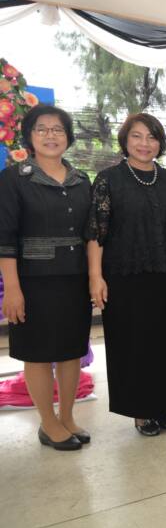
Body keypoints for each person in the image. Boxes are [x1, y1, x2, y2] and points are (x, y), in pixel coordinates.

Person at [86, 113, 166, 436]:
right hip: (124, 277)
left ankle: (164, 406)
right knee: (133, 345)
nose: (145, 143)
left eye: (152, 137)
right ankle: (141, 412)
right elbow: (96, 232)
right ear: (125, 140)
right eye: (137, 136)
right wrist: (95, 276)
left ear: (160, 143)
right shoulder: (108, 179)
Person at [0, 105, 91, 450]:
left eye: (58, 129)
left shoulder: (81, 180)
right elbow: (5, 238)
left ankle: (67, 417)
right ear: (30, 136)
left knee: (71, 351)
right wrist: (12, 289)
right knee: (37, 353)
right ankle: (48, 422)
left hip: (74, 278)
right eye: (42, 129)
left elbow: (91, 233)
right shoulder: (14, 179)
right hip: (33, 281)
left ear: (68, 136)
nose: (50, 135)